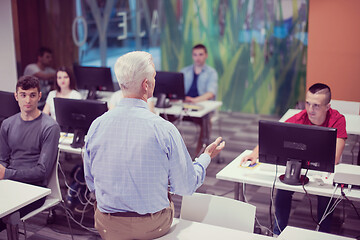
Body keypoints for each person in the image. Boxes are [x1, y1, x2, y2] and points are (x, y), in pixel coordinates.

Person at [83, 51, 225, 240]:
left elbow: (91, 181)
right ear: (146, 85)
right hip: (151, 226)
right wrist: (205, 158)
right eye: (154, 77)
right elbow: (186, 186)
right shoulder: (164, 129)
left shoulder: (97, 125)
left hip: (107, 226)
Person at [241, 83, 347, 235]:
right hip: (299, 165)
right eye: (308, 103)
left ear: (327, 106)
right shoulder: (300, 117)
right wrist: (254, 152)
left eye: (316, 106)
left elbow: (335, 158)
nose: (310, 109)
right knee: (283, 190)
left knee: (325, 196)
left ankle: (324, 235)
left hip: (323, 170)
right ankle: (278, 232)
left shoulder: (337, 120)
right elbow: (274, 136)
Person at [0, 76, 60, 232]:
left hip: (35, 190)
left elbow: (42, 172)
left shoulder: (50, 127)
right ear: (16, 96)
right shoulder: (7, 124)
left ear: (39, 96)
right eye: (23, 95)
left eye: (32, 95)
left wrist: (6, 173)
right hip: (9, 183)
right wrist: (3, 173)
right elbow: (3, 159)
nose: (28, 100)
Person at [180, 44, 219, 155]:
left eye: (200, 54)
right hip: (184, 106)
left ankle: (200, 154)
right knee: (164, 117)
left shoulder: (211, 73)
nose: (198, 57)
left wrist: (194, 100)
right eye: (195, 55)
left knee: (206, 121)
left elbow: (210, 93)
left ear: (206, 55)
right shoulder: (184, 71)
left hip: (201, 107)